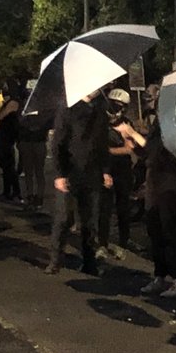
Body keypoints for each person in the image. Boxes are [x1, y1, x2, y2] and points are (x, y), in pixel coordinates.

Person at [45, 94, 113, 276]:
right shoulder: (68, 107)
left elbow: (103, 143)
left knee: (89, 221)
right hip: (70, 171)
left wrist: (105, 170)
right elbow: (58, 142)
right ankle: (55, 260)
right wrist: (59, 173)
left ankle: (89, 262)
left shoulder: (100, 109)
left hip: (92, 172)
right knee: (63, 218)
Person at [136, 121, 176, 296]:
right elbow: (147, 154)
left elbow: (161, 152)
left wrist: (132, 132)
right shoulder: (157, 124)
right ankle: (160, 276)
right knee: (155, 231)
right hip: (154, 185)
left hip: (170, 185)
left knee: (171, 232)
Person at [99, 88, 137, 257]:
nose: (115, 110)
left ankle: (124, 239)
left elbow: (129, 149)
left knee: (123, 206)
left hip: (121, 170)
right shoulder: (100, 123)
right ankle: (102, 242)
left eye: (119, 107)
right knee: (104, 207)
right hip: (104, 169)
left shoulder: (126, 124)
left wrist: (108, 150)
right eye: (113, 106)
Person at [0, 80, 22, 202]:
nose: (3, 89)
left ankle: (14, 193)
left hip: (8, 136)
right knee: (5, 165)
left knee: (9, 165)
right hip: (2, 134)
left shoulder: (13, 102)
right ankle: (8, 192)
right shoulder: (7, 102)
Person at [16, 108, 51, 210]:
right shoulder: (25, 107)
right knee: (29, 171)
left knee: (38, 171)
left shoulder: (43, 108)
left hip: (37, 141)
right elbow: (18, 122)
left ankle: (38, 197)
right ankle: (30, 196)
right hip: (28, 140)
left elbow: (49, 122)